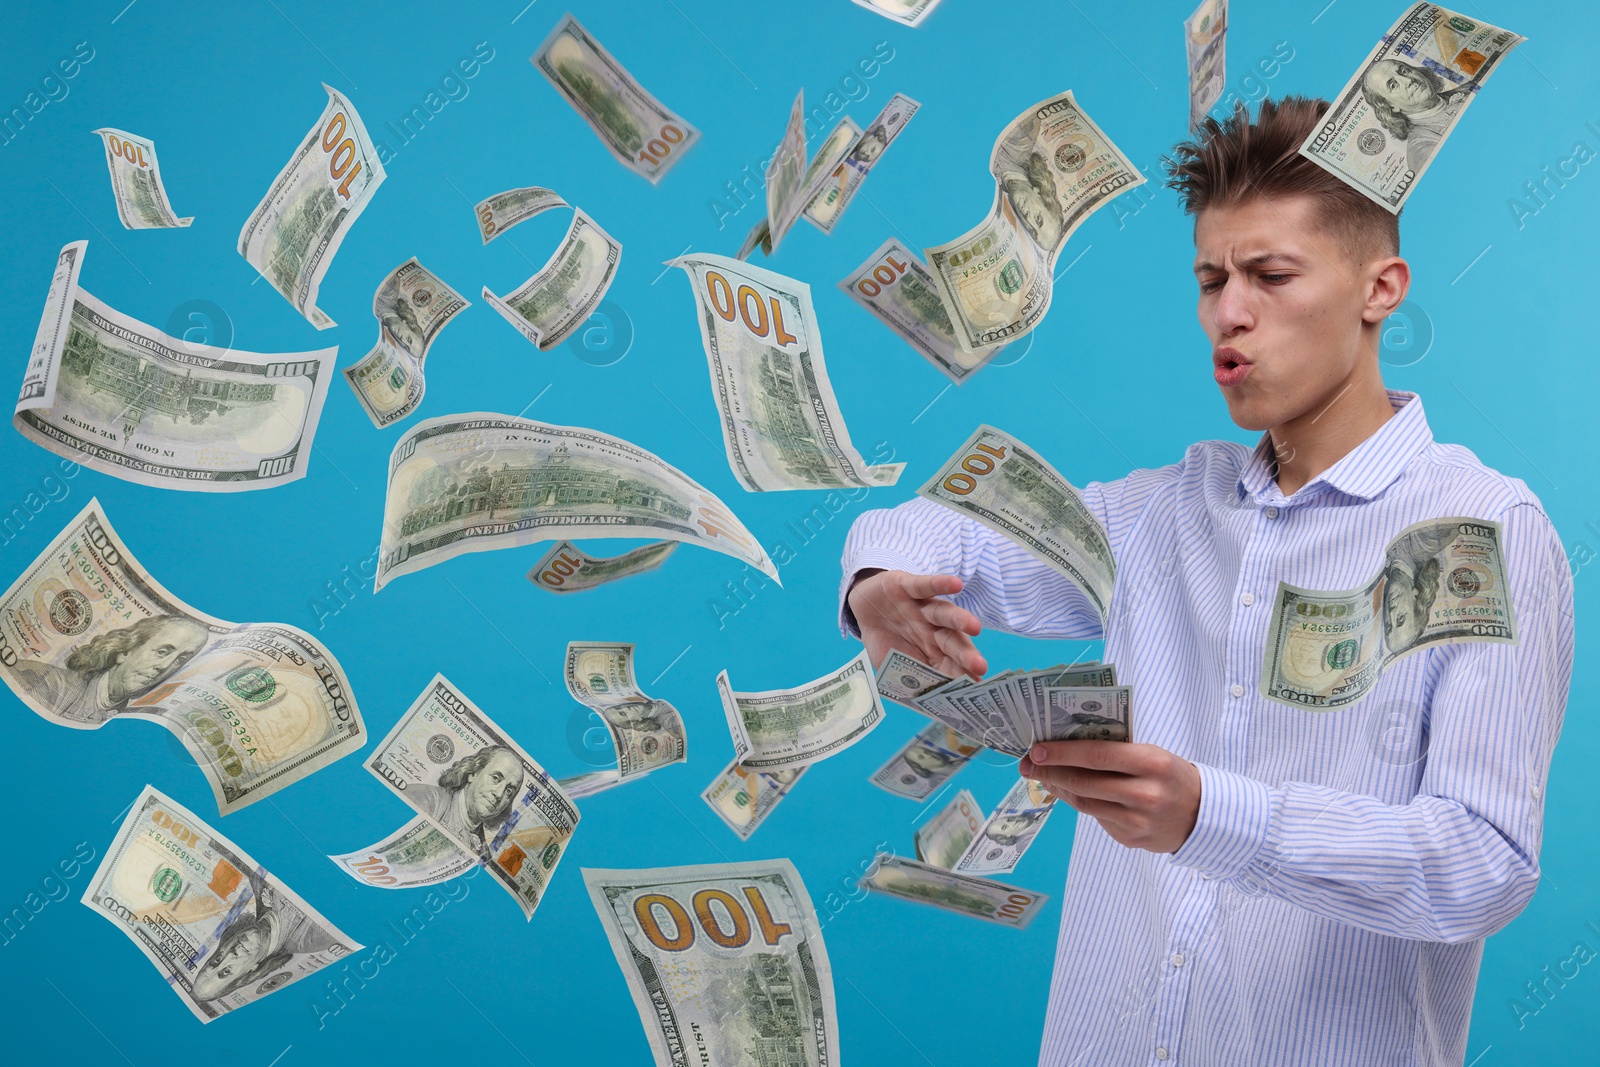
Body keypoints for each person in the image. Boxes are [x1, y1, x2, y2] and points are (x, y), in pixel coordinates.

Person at [838, 97, 1573, 1065]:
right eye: (1210, 278)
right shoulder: (1160, 513)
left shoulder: (1483, 531)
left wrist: (1209, 816)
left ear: (1378, 287)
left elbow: (1481, 864)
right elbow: (944, 523)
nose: (1229, 312)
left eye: (1270, 275)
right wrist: (878, 578)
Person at [11, 614, 209, 726]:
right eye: (162, 651)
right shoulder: (46, 682)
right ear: (126, 651)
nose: (165, 666)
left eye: (180, 660)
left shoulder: (134, 725)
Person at [407, 746, 525, 861]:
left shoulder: (484, 857)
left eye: (509, 791)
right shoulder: (424, 799)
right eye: (495, 778)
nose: (499, 794)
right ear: (473, 773)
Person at [1359, 57, 1474, 171]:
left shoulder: (1469, 88)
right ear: (1392, 107)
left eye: (1404, 71)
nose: (1408, 80)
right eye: (1393, 85)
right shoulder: (1422, 148)